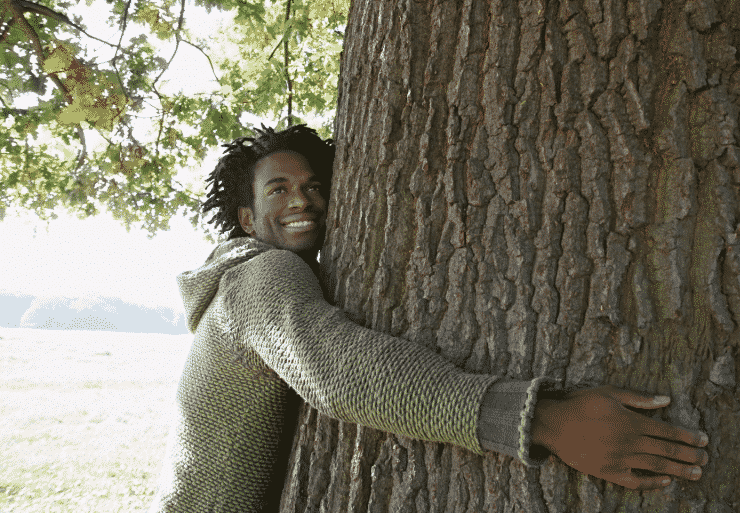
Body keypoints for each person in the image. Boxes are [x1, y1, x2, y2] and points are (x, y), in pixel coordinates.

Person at [149, 125, 710, 512]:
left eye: (314, 185)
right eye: (279, 189)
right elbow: (338, 369)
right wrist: (542, 420)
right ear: (247, 219)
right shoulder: (261, 274)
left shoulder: (242, 282)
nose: (303, 199)